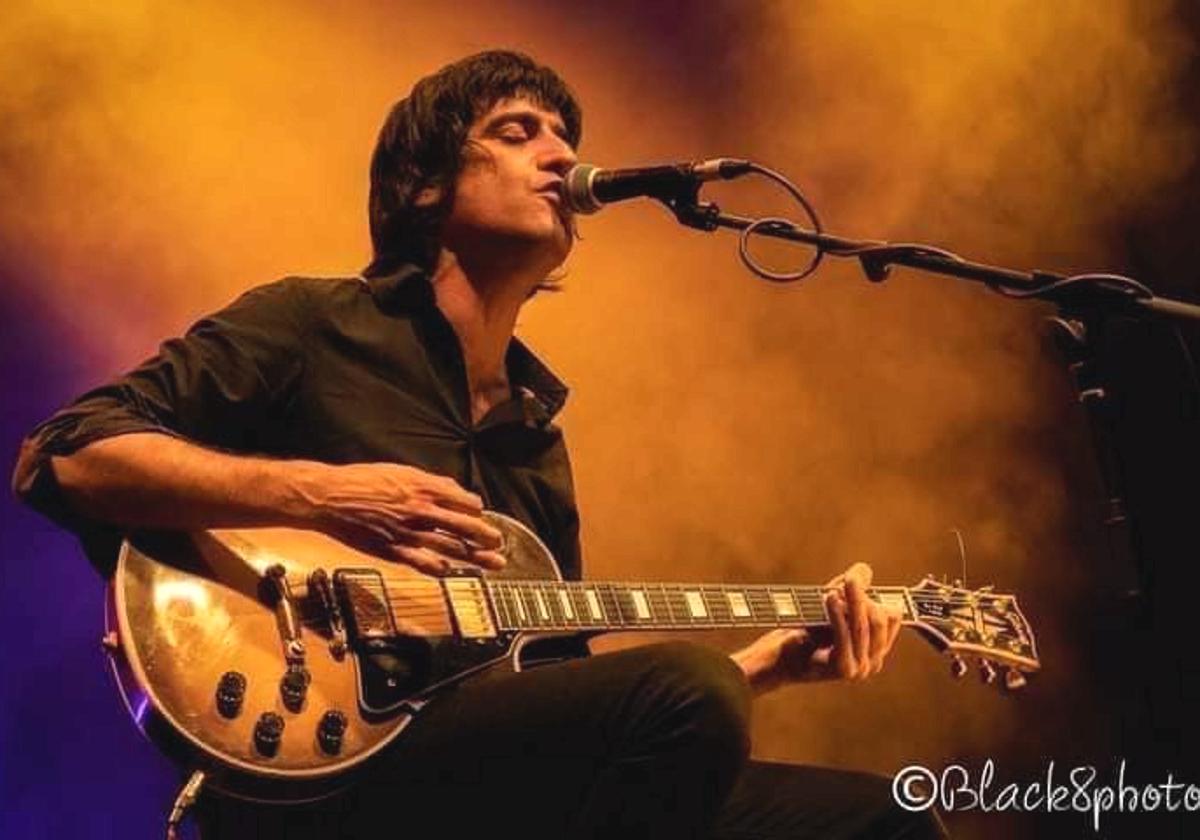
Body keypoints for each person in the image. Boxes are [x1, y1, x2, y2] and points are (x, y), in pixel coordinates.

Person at [12, 50, 946, 839]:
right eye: (517, 131)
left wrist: (763, 670)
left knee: (883, 820)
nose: (562, 154)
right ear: (424, 185)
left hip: (472, 774)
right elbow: (64, 455)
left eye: (565, 136)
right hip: (316, 774)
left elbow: (561, 693)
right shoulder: (312, 325)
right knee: (686, 688)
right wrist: (324, 496)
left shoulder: (534, 434)